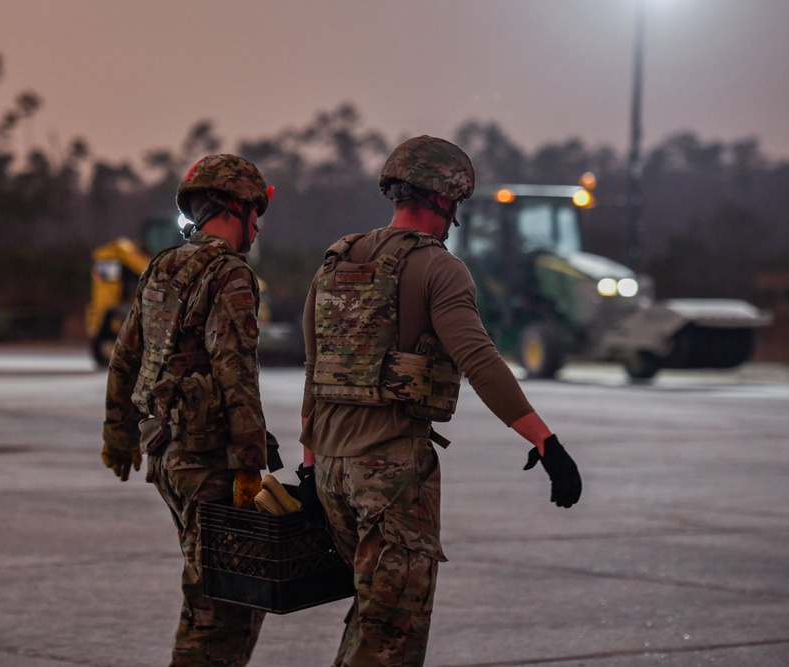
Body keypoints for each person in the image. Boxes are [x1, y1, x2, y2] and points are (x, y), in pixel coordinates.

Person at [298, 135, 582, 665]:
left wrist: (311, 464)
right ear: (447, 200)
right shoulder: (439, 269)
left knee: (370, 622)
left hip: (332, 473)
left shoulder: (335, 261)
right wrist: (546, 442)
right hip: (390, 476)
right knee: (392, 640)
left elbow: (316, 373)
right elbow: (480, 362)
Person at [101, 154, 281, 667]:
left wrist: (118, 437)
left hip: (166, 454)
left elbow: (125, 358)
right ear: (236, 208)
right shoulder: (231, 275)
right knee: (222, 606)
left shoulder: (163, 265)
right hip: (209, 464)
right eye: (255, 213)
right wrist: (249, 462)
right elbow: (236, 372)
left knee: (212, 588)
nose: (258, 227)